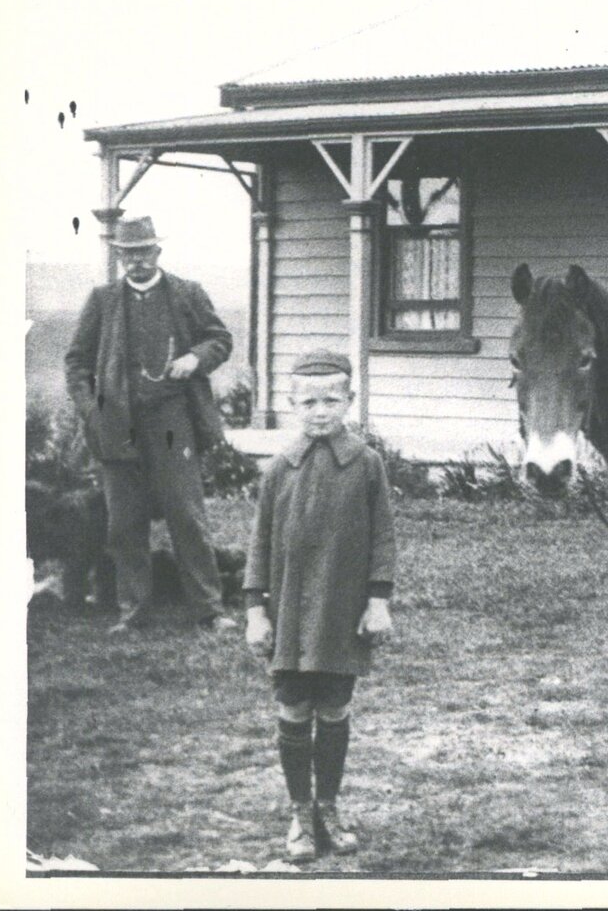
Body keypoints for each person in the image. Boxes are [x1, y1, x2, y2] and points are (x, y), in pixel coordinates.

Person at [244, 350, 396, 863]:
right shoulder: (277, 469)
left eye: (332, 399)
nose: (320, 410)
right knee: (292, 708)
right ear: (291, 404)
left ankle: (327, 809)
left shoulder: (367, 465)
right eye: (308, 401)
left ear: (350, 401)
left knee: (332, 708)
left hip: (340, 613)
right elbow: (259, 545)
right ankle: (299, 813)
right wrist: (254, 611)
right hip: (287, 614)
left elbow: (383, 540)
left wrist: (378, 602)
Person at [63, 214, 238, 634]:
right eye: (128, 254)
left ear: (158, 252)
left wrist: (196, 358)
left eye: (144, 252)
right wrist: (92, 410)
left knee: (187, 517)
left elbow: (220, 339)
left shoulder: (186, 294)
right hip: (116, 427)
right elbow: (76, 362)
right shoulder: (103, 301)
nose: (137, 261)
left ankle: (209, 610)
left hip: (173, 421)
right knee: (124, 524)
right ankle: (132, 612)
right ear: (120, 257)